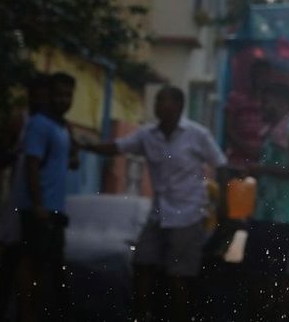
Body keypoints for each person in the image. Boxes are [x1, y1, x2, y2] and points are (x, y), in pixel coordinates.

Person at [80, 85, 226, 321]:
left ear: (178, 106)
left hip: (188, 216)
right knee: (142, 265)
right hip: (159, 214)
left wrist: (222, 206)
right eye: (156, 101)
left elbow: (221, 164)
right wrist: (86, 146)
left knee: (178, 277)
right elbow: (118, 147)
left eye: (162, 100)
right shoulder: (147, 135)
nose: (156, 106)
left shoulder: (198, 135)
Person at [245, 82, 289, 320]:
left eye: (267, 102)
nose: (263, 106)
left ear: (283, 103)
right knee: (257, 274)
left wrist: (263, 169)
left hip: (282, 219)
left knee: (276, 276)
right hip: (263, 216)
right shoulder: (272, 131)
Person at [16, 71, 77, 322]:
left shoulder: (62, 127)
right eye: (58, 94)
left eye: (68, 95)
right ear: (49, 96)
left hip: (55, 209)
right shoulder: (40, 124)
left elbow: (69, 161)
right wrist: (38, 204)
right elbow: (31, 164)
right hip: (39, 210)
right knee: (32, 268)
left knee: (48, 271)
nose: (63, 99)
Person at [0, 74, 49, 322]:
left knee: (37, 272)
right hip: (19, 206)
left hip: (45, 208)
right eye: (34, 93)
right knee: (10, 267)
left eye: (43, 94)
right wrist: (18, 154)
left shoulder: (55, 127)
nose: (39, 98)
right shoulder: (19, 122)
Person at [225, 59, 273, 167]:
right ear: (251, 76)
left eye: (265, 75)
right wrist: (246, 148)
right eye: (258, 74)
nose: (261, 79)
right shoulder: (236, 99)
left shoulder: (272, 105)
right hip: (238, 162)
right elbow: (228, 130)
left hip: (263, 165)